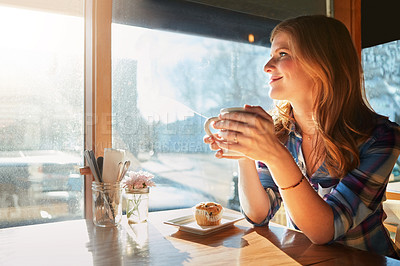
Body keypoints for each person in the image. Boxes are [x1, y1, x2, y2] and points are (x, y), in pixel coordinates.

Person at [204, 15, 400, 258]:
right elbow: (259, 215)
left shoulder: (380, 137)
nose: (267, 66)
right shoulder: (281, 132)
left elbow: (325, 229)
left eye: (282, 54)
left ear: (322, 62)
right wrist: (245, 155)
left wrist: (275, 155)